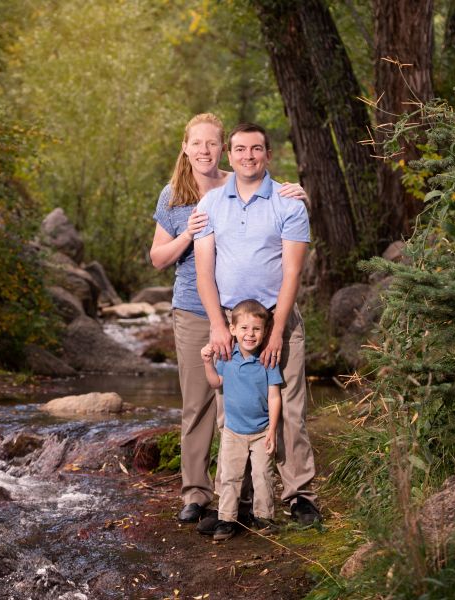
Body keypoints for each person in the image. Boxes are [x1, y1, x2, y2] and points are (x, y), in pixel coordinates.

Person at [150, 114, 306, 525]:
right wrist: (189, 232)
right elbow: (159, 259)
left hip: (246, 312)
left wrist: (297, 193)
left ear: (222, 150)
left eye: (212, 143)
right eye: (196, 143)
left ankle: (250, 495)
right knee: (200, 402)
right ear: (185, 147)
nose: (204, 150)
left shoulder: (238, 183)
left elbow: (268, 195)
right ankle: (200, 494)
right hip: (197, 307)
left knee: (249, 401)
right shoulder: (177, 197)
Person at [193, 122, 322, 526]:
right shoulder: (211, 205)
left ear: (268, 154)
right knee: (231, 410)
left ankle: (299, 495)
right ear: (229, 157)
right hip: (231, 324)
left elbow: (291, 272)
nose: (248, 156)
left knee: (290, 410)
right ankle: (237, 502)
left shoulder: (288, 204)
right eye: (240, 149)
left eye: (256, 149)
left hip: (275, 317)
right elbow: (204, 273)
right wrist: (217, 325)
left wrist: (278, 329)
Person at [200, 299, 281, 541]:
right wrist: (207, 363)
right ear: (232, 329)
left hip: (261, 431)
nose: (250, 334)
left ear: (265, 332)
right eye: (244, 328)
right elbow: (216, 383)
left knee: (263, 476)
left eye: (256, 329)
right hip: (233, 431)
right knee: (230, 476)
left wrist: (272, 430)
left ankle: (264, 517)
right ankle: (226, 519)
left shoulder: (267, 360)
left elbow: (274, 396)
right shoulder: (226, 358)